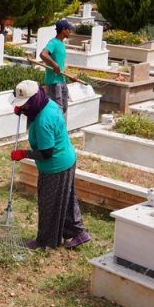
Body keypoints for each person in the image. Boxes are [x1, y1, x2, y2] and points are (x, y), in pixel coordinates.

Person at [9, 79, 90, 250]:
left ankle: (44, 241)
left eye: (25, 104)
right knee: (65, 199)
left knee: (48, 205)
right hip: (67, 158)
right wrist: (23, 111)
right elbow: (34, 112)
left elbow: (46, 153)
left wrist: (24, 154)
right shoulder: (47, 103)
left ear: (34, 99)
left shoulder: (43, 121)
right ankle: (79, 233)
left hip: (55, 166)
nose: (23, 107)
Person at [38, 18, 72, 112]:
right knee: (58, 109)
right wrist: (54, 65)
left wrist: (67, 74)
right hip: (53, 82)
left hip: (62, 80)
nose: (70, 31)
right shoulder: (53, 42)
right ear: (63, 30)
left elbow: (60, 63)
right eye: (68, 29)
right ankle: (56, 126)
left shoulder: (61, 43)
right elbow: (43, 54)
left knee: (64, 107)